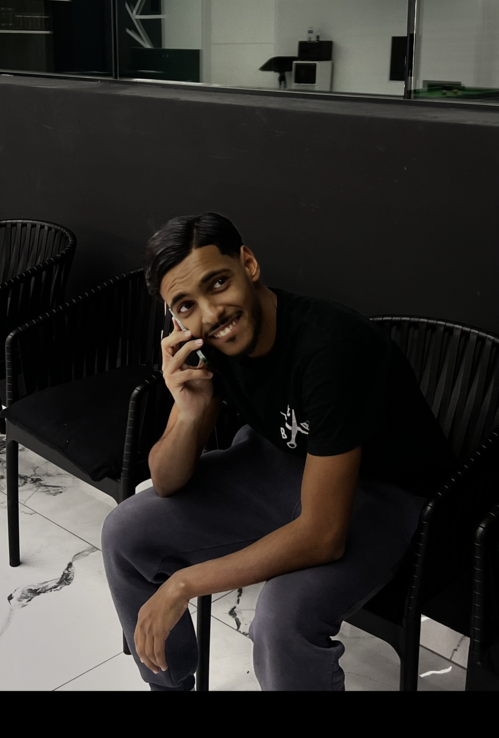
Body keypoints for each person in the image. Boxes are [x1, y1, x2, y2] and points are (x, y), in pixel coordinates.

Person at [101, 212, 455, 691]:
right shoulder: (210, 344)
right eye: (186, 306)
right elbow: (166, 481)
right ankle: (170, 686)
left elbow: (323, 535)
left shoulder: (332, 347)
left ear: (248, 264)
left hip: (383, 492)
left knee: (280, 621)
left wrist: (182, 584)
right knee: (124, 532)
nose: (211, 313)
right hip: (280, 462)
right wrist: (188, 412)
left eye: (218, 283)